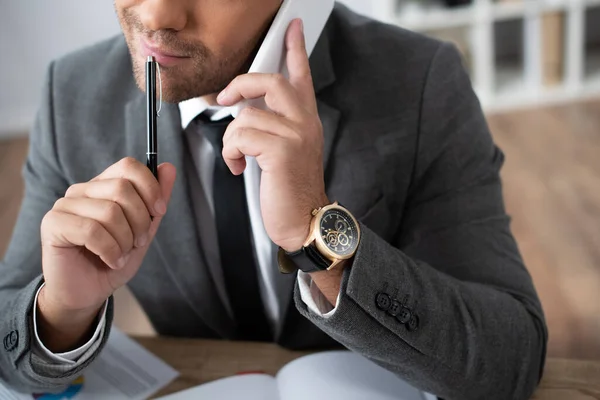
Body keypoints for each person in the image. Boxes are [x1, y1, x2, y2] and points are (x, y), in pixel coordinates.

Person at [0, 1, 547, 399]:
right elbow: (8, 339)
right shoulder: (70, 94)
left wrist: (321, 238)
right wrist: (62, 311)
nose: (158, 13)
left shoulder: (420, 82)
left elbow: (512, 360)